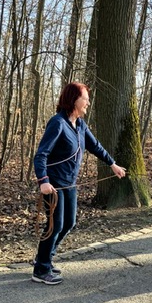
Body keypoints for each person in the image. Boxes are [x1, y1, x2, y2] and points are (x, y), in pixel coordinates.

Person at [32, 81, 126, 284]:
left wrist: (112, 164)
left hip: (70, 183)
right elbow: (41, 155)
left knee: (69, 222)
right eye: (85, 99)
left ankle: (44, 257)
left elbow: (95, 146)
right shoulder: (58, 123)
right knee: (55, 225)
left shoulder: (81, 125)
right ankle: (41, 269)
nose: (88, 103)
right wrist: (43, 181)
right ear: (74, 100)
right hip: (54, 185)